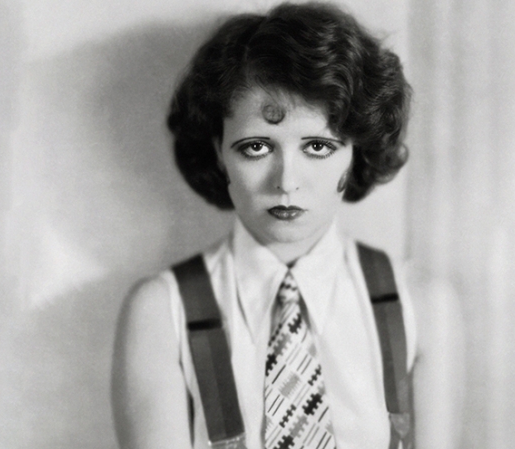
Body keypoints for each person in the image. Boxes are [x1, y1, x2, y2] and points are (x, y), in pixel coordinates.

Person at [112, 3, 463, 449]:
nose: (287, 182)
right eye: (257, 147)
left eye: (317, 146)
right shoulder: (161, 311)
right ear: (218, 150)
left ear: (355, 150)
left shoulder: (424, 305)